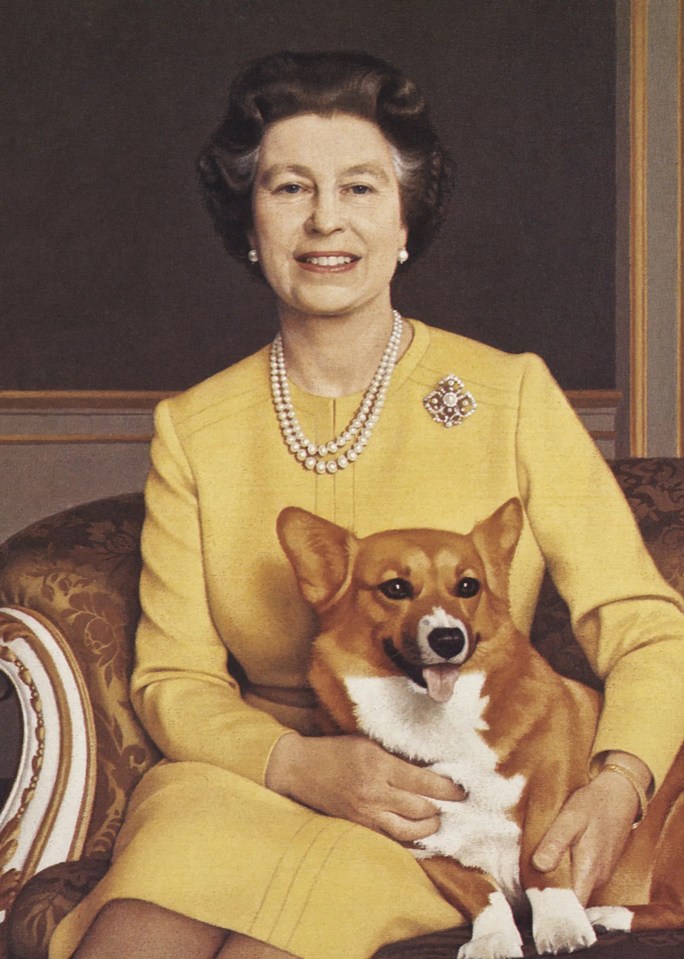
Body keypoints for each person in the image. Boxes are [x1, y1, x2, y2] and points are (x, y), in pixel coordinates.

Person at [50, 50, 684, 959]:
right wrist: (298, 763)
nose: (324, 221)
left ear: (404, 221)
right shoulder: (195, 427)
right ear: (249, 223)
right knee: (134, 938)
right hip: (251, 773)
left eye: (359, 187)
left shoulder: (507, 395)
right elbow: (172, 679)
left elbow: (647, 626)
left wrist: (617, 781)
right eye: (289, 187)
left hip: (439, 801)